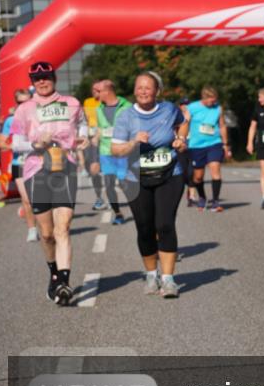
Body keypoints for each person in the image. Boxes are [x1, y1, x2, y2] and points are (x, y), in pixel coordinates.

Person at [9, 61, 90, 305]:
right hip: (37, 171)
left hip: (65, 169)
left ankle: (64, 282)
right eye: (37, 79)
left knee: (62, 227)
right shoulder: (25, 109)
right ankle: (54, 274)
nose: (42, 82)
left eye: (46, 77)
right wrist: (35, 144)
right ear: (32, 83)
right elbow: (16, 142)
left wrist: (84, 137)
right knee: (46, 234)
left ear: (54, 78)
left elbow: (83, 124)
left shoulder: (72, 103)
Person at [110, 72, 189, 298]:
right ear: (135, 91)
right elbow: (115, 150)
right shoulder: (126, 117)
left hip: (169, 174)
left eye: (148, 88)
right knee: (145, 228)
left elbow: (183, 124)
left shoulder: (169, 109)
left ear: (157, 91)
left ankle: (169, 279)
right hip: (136, 179)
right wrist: (134, 141)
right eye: (140, 87)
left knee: (164, 224)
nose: (144, 91)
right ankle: (151, 274)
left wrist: (181, 140)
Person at [0, 89, 40, 237]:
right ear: (16, 103)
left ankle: (45, 223)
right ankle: (32, 229)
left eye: (27, 102)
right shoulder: (11, 120)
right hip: (20, 163)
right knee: (26, 198)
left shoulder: (39, 118)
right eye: (20, 102)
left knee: (40, 197)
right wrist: (16, 146)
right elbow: (2, 142)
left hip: (38, 161)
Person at [186, 86, 230, 212]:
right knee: (198, 177)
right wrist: (181, 138)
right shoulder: (192, 108)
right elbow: (185, 123)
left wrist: (225, 144)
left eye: (214, 100)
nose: (213, 103)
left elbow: (222, 126)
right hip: (196, 145)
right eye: (210, 101)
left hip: (214, 143)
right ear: (203, 98)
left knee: (215, 169)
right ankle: (202, 197)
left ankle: (215, 201)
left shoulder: (218, 108)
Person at [92, 80, 130, 225]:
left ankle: (138, 208)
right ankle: (118, 213)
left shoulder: (127, 107)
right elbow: (100, 129)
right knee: (108, 184)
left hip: (123, 151)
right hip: (106, 152)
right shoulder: (98, 109)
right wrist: (96, 138)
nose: (96, 95)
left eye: (98, 91)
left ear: (107, 91)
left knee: (124, 183)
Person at [81, 81, 106, 210]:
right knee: (92, 169)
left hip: (106, 138)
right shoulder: (88, 102)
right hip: (91, 138)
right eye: (93, 90)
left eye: (98, 90)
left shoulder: (108, 102)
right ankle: (99, 197)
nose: (95, 92)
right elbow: (84, 120)